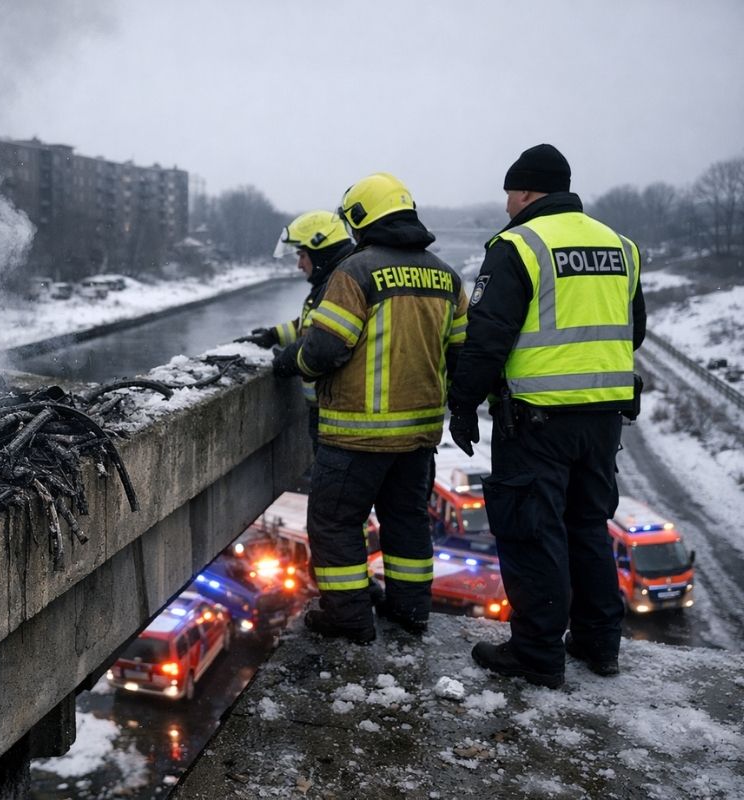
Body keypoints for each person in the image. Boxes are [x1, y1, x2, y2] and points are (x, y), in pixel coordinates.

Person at [447, 143, 647, 689]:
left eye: (511, 193)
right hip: (604, 419)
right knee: (586, 525)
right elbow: (635, 332)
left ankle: (537, 651)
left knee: (532, 531)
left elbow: (487, 341)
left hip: (537, 422)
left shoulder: (519, 245)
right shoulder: (619, 245)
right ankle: (599, 643)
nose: (507, 204)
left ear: (529, 191)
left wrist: (463, 405)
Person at [273, 173, 468, 642]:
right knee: (407, 525)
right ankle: (410, 611)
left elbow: (323, 351)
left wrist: (288, 360)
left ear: (360, 218)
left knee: (336, 524)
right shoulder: (446, 275)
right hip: (418, 438)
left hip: (354, 437)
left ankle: (348, 617)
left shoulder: (355, 273)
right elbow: (463, 354)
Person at [237, 210, 354, 448]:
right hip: (327, 412)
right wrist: (273, 335)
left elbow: (321, 344)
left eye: (302, 255)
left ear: (321, 252)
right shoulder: (333, 284)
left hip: (335, 416)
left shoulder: (339, 287)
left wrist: (286, 360)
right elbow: (311, 325)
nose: (299, 264)